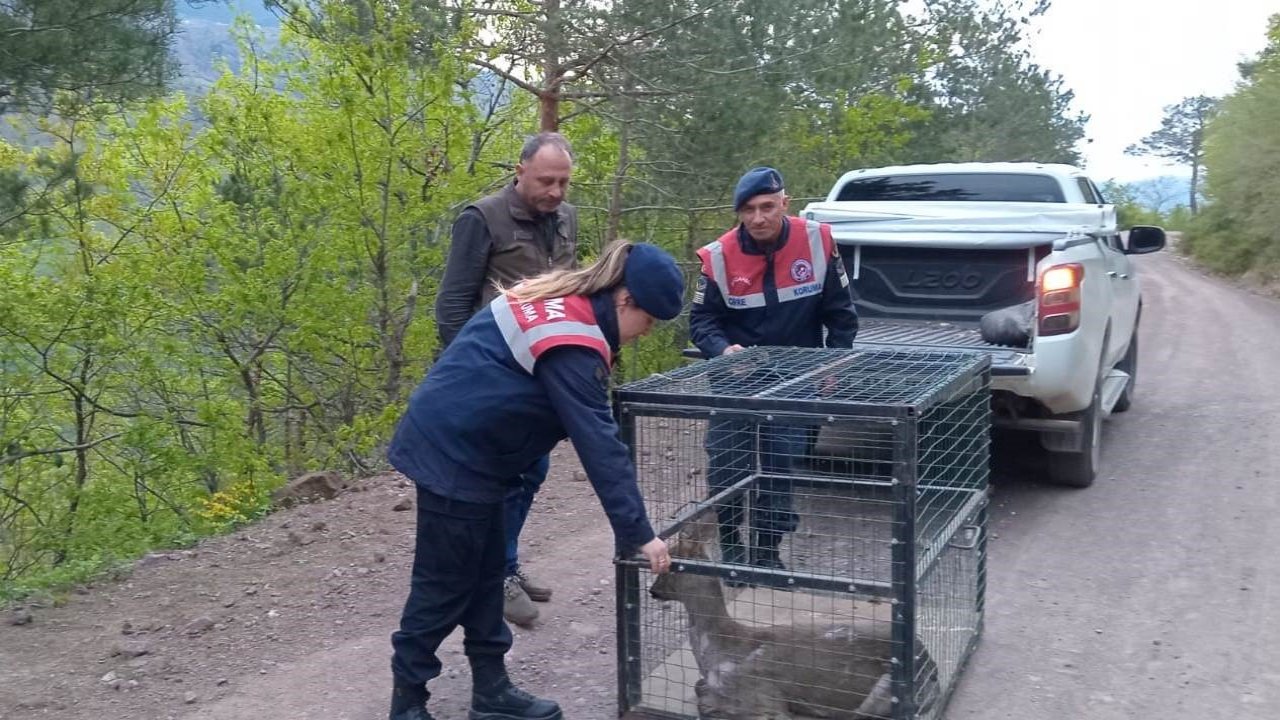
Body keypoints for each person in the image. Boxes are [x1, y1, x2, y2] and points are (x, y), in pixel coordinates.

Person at [386, 241, 682, 720]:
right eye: (647, 323)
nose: (642, 335)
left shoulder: (567, 303)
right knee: (443, 585)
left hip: (485, 457)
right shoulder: (575, 339)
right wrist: (639, 534)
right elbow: (600, 445)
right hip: (453, 455)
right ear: (626, 300)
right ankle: (409, 702)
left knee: (487, 576)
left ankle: (491, 690)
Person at [435, 132, 578, 627]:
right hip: (493, 375)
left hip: (541, 372)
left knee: (531, 472)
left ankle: (507, 563)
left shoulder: (566, 218)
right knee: (497, 480)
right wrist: (466, 378)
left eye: (562, 182)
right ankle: (494, 578)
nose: (555, 191)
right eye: (545, 181)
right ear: (519, 171)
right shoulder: (482, 219)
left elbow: (568, 290)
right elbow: (452, 305)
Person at [689, 166, 859, 571]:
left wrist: (834, 360)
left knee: (780, 465)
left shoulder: (817, 241)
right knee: (728, 465)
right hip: (735, 377)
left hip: (796, 376)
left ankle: (767, 552)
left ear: (785, 203)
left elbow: (841, 313)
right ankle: (731, 547)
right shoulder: (719, 256)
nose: (759, 218)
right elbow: (700, 321)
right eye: (748, 209)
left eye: (767, 207)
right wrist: (722, 350)